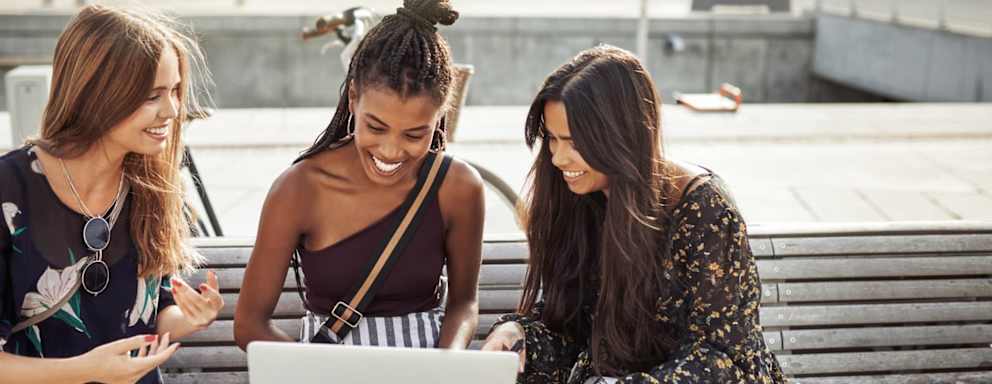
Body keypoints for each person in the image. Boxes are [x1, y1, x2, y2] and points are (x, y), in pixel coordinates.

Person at [481, 45, 785, 383]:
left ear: (619, 135)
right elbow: (572, 327)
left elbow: (723, 357)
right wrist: (517, 334)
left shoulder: (704, 210)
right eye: (552, 139)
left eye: (575, 142)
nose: (558, 158)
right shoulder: (578, 199)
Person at [234, 0, 483, 350]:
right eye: (376, 127)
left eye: (415, 135)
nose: (391, 151)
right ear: (353, 99)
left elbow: (464, 304)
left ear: (440, 116)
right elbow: (249, 326)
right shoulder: (299, 188)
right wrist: (316, 370)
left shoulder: (458, 188)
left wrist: (447, 364)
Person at [0, 5, 224, 384]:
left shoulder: (155, 188)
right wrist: (85, 372)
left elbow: (155, 310)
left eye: (174, 91)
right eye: (152, 96)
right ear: (98, 94)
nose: (171, 110)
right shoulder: (10, 188)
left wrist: (189, 317)